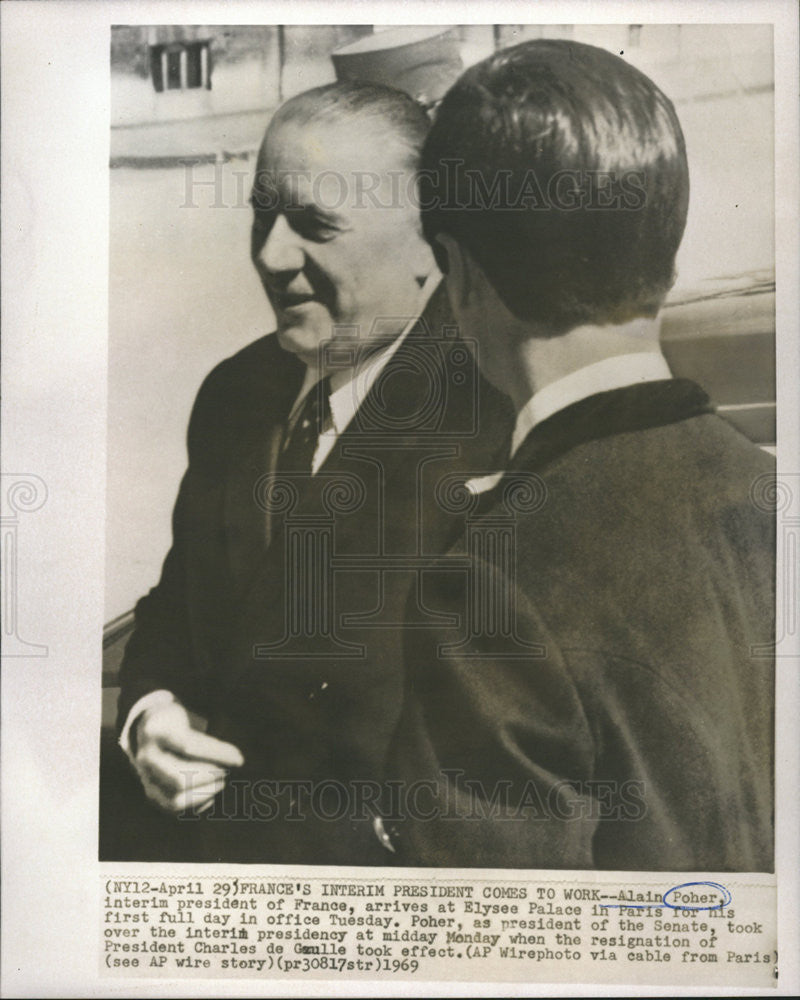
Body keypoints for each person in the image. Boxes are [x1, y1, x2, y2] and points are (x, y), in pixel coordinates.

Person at [385, 39, 775, 871]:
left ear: (458, 275)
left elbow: (499, 954)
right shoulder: (768, 489)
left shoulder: (493, 582)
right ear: (664, 250)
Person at [114, 80, 512, 864]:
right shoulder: (237, 393)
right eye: (263, 212)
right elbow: (180, 604)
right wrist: (149, 715)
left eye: (314, 224)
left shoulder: (493, 418)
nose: (270, 255)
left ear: (434, 245)